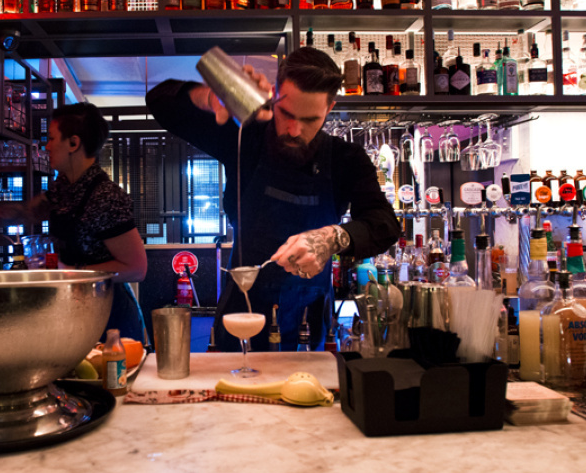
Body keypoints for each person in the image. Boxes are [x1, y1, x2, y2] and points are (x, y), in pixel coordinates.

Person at [146, 47, 400, 351]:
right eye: (286, 114)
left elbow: (384, 223)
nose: (294, 130)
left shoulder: (346, 158)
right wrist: (211, 97)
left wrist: (332, 238)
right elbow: (160, 102)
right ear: (275, 97)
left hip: (309, 318)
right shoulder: (245, 136)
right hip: (241, 311)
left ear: (329, 108)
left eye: (310, 119)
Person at [0, 102, 148, 342]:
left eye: (52, 139)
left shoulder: (106, 197)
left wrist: (71, 272)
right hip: (77, 310)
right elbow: (27, 212)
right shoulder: (64, 188)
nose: (46, 147)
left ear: (73, 143)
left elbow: (137, 268)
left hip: (111, 319)